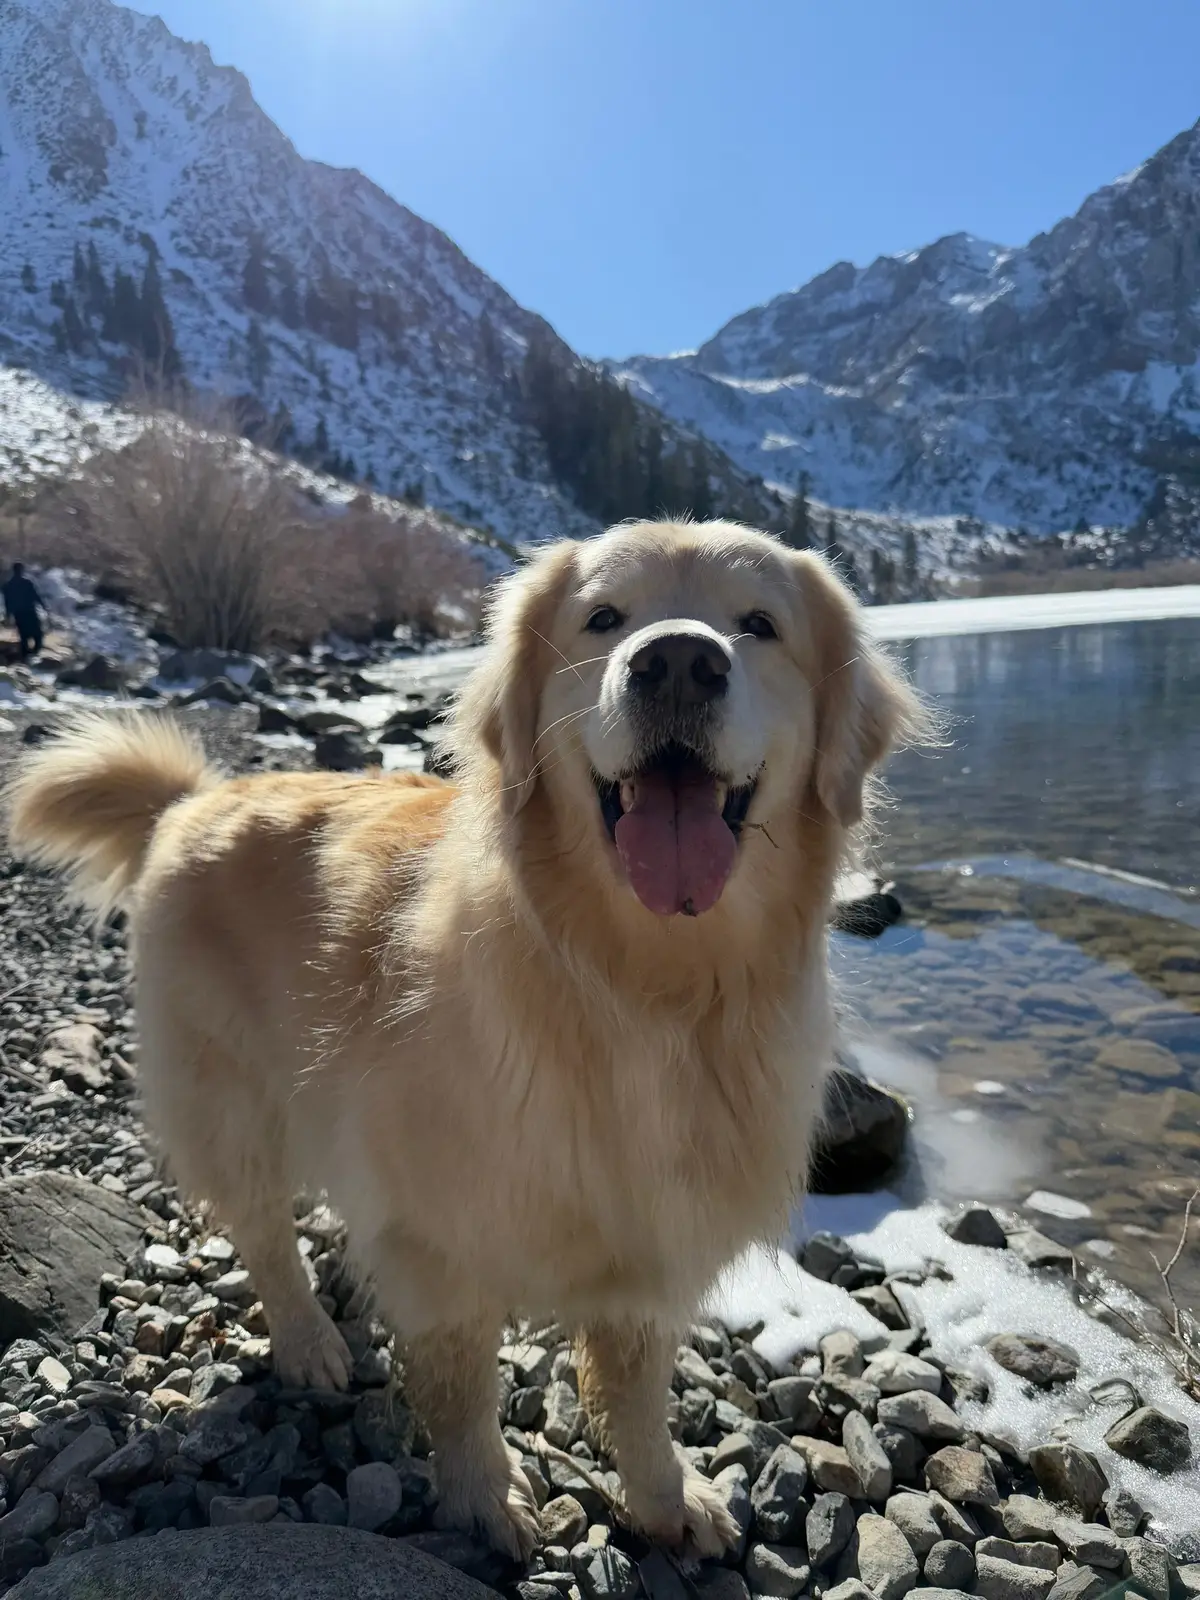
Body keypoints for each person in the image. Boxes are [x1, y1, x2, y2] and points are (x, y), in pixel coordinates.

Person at [2, 563, 47, 659]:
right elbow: (35, 596)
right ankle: (35, 652)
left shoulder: (7, 585)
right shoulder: (27, 583)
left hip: (18, 613)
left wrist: (8, 615)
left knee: (23, 635)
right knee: (37, 633)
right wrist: (43, 606)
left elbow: (7, 602)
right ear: (22, 570)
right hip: (29, 611)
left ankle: (25, 655)